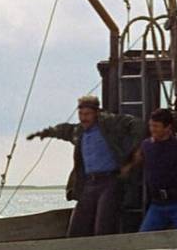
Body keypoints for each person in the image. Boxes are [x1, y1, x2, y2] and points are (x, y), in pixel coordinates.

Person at [27, 95, 143, 237]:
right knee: (76, 230)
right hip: (88, 183)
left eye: (87, 114)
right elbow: (62, 130)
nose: (83, 118)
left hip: (110, 181)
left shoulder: (110, 124)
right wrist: (43, 133)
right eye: (81, 114)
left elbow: (137, 124)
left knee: (103, 228)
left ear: (96, 113)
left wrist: (135, 150)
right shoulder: (78, 131)